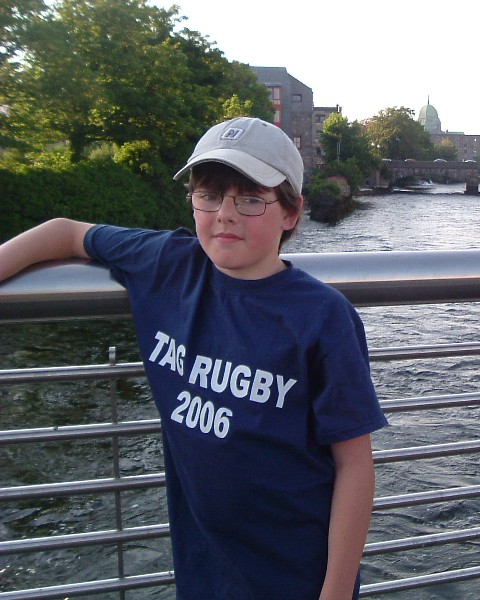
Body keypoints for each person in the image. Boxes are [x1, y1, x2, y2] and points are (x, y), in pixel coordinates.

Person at [0, 117, 388, 599]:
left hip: (299, 573)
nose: (225, 214)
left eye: (250, 199)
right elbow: (64, 233)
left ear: (290, 213)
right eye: (208, 194)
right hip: (204, 567)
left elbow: (354, 465)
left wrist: (333, 593)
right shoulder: (167, 264)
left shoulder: (323, 318)